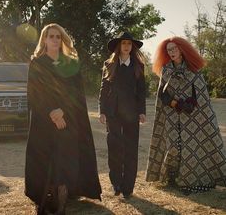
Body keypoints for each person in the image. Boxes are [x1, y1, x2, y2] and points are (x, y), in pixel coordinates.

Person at [25, 23, 102, 214]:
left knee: (64, 160)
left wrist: (62, 112)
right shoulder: (37, 63)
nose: (55, 40)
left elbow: (76, 94)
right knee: (44, 160)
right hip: (43, 121)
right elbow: (34, 93)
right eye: (51, 36)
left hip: (67, 121)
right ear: (44, 39)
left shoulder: (70, 63)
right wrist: (51, 112)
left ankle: (62, 201)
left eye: (58, 37)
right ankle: (44, 198)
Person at [146, 36, 226, 195]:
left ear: (182, 50)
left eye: (174, 48)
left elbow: (200, 95)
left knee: (191, 147)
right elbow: (162, 94)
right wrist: (175, 103)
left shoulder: (193, 71)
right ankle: (172, 179)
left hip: (192, 116)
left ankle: (193, 181)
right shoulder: (166, 69)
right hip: (171, 114)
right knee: (174, 146)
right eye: (169, 50)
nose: (172, 52)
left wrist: (188, 104)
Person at [98, 31, 146, 199]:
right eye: (123, 43)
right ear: (119, 46)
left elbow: (141, 91)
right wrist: (102, 110)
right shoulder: (109, 64)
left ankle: (128, 187)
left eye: (129, 43)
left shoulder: (138, 65)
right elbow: (104, 89)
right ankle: (116, 183)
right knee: (115, 147)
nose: (126, 46)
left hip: (132, 113)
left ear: (132, 47)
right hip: (113, 113)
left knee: (131, 149)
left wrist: (142, 111)